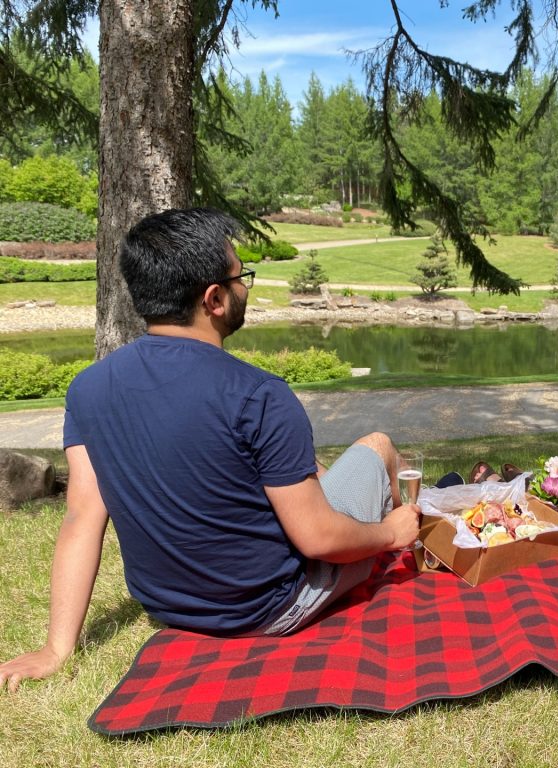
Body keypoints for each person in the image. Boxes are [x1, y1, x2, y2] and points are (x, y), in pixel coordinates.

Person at [0, 208, 421, 692]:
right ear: (214, 299)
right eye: (241, 276)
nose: (247, 287)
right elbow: (319, 540)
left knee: (314, 472)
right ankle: (418, 531)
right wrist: (388, 534)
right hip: (272, 609)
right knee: (379, 446)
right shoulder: (258, 394)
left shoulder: (88, 389)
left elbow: (81, 516)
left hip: (169, 608)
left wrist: (57, 649)